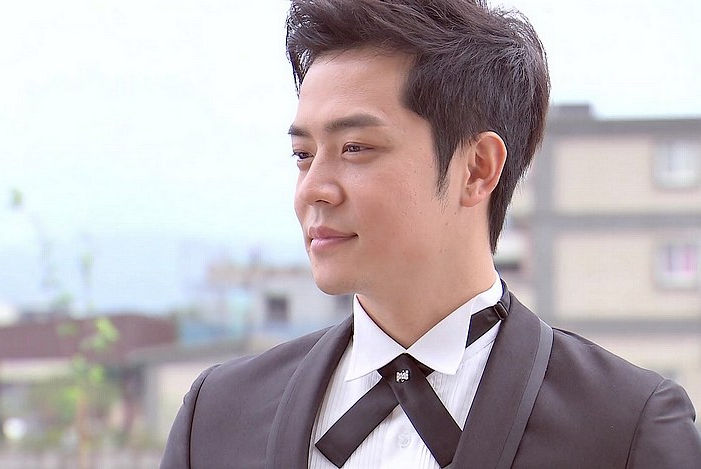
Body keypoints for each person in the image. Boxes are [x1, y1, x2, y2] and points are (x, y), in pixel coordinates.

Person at [161, 0, 701, 467]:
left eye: (355, 148)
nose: (313, 190)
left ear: (477, 169)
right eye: (303, 155)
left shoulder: (625, 426)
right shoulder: (217, 415)